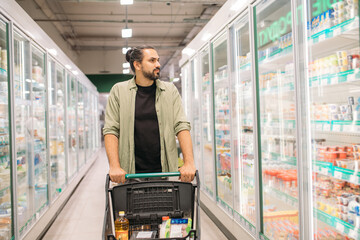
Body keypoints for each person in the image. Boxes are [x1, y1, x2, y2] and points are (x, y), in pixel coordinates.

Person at [103, 46, 196, 184]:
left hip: (164, 172)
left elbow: (181, 126)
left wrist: (189, 163)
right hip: (129, 173)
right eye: (152, 60)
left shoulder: (169, 90)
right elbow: (111, 130)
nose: (158, 64)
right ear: (137, 64)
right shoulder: (119, 91)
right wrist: (114, 166)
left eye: (158, 60)